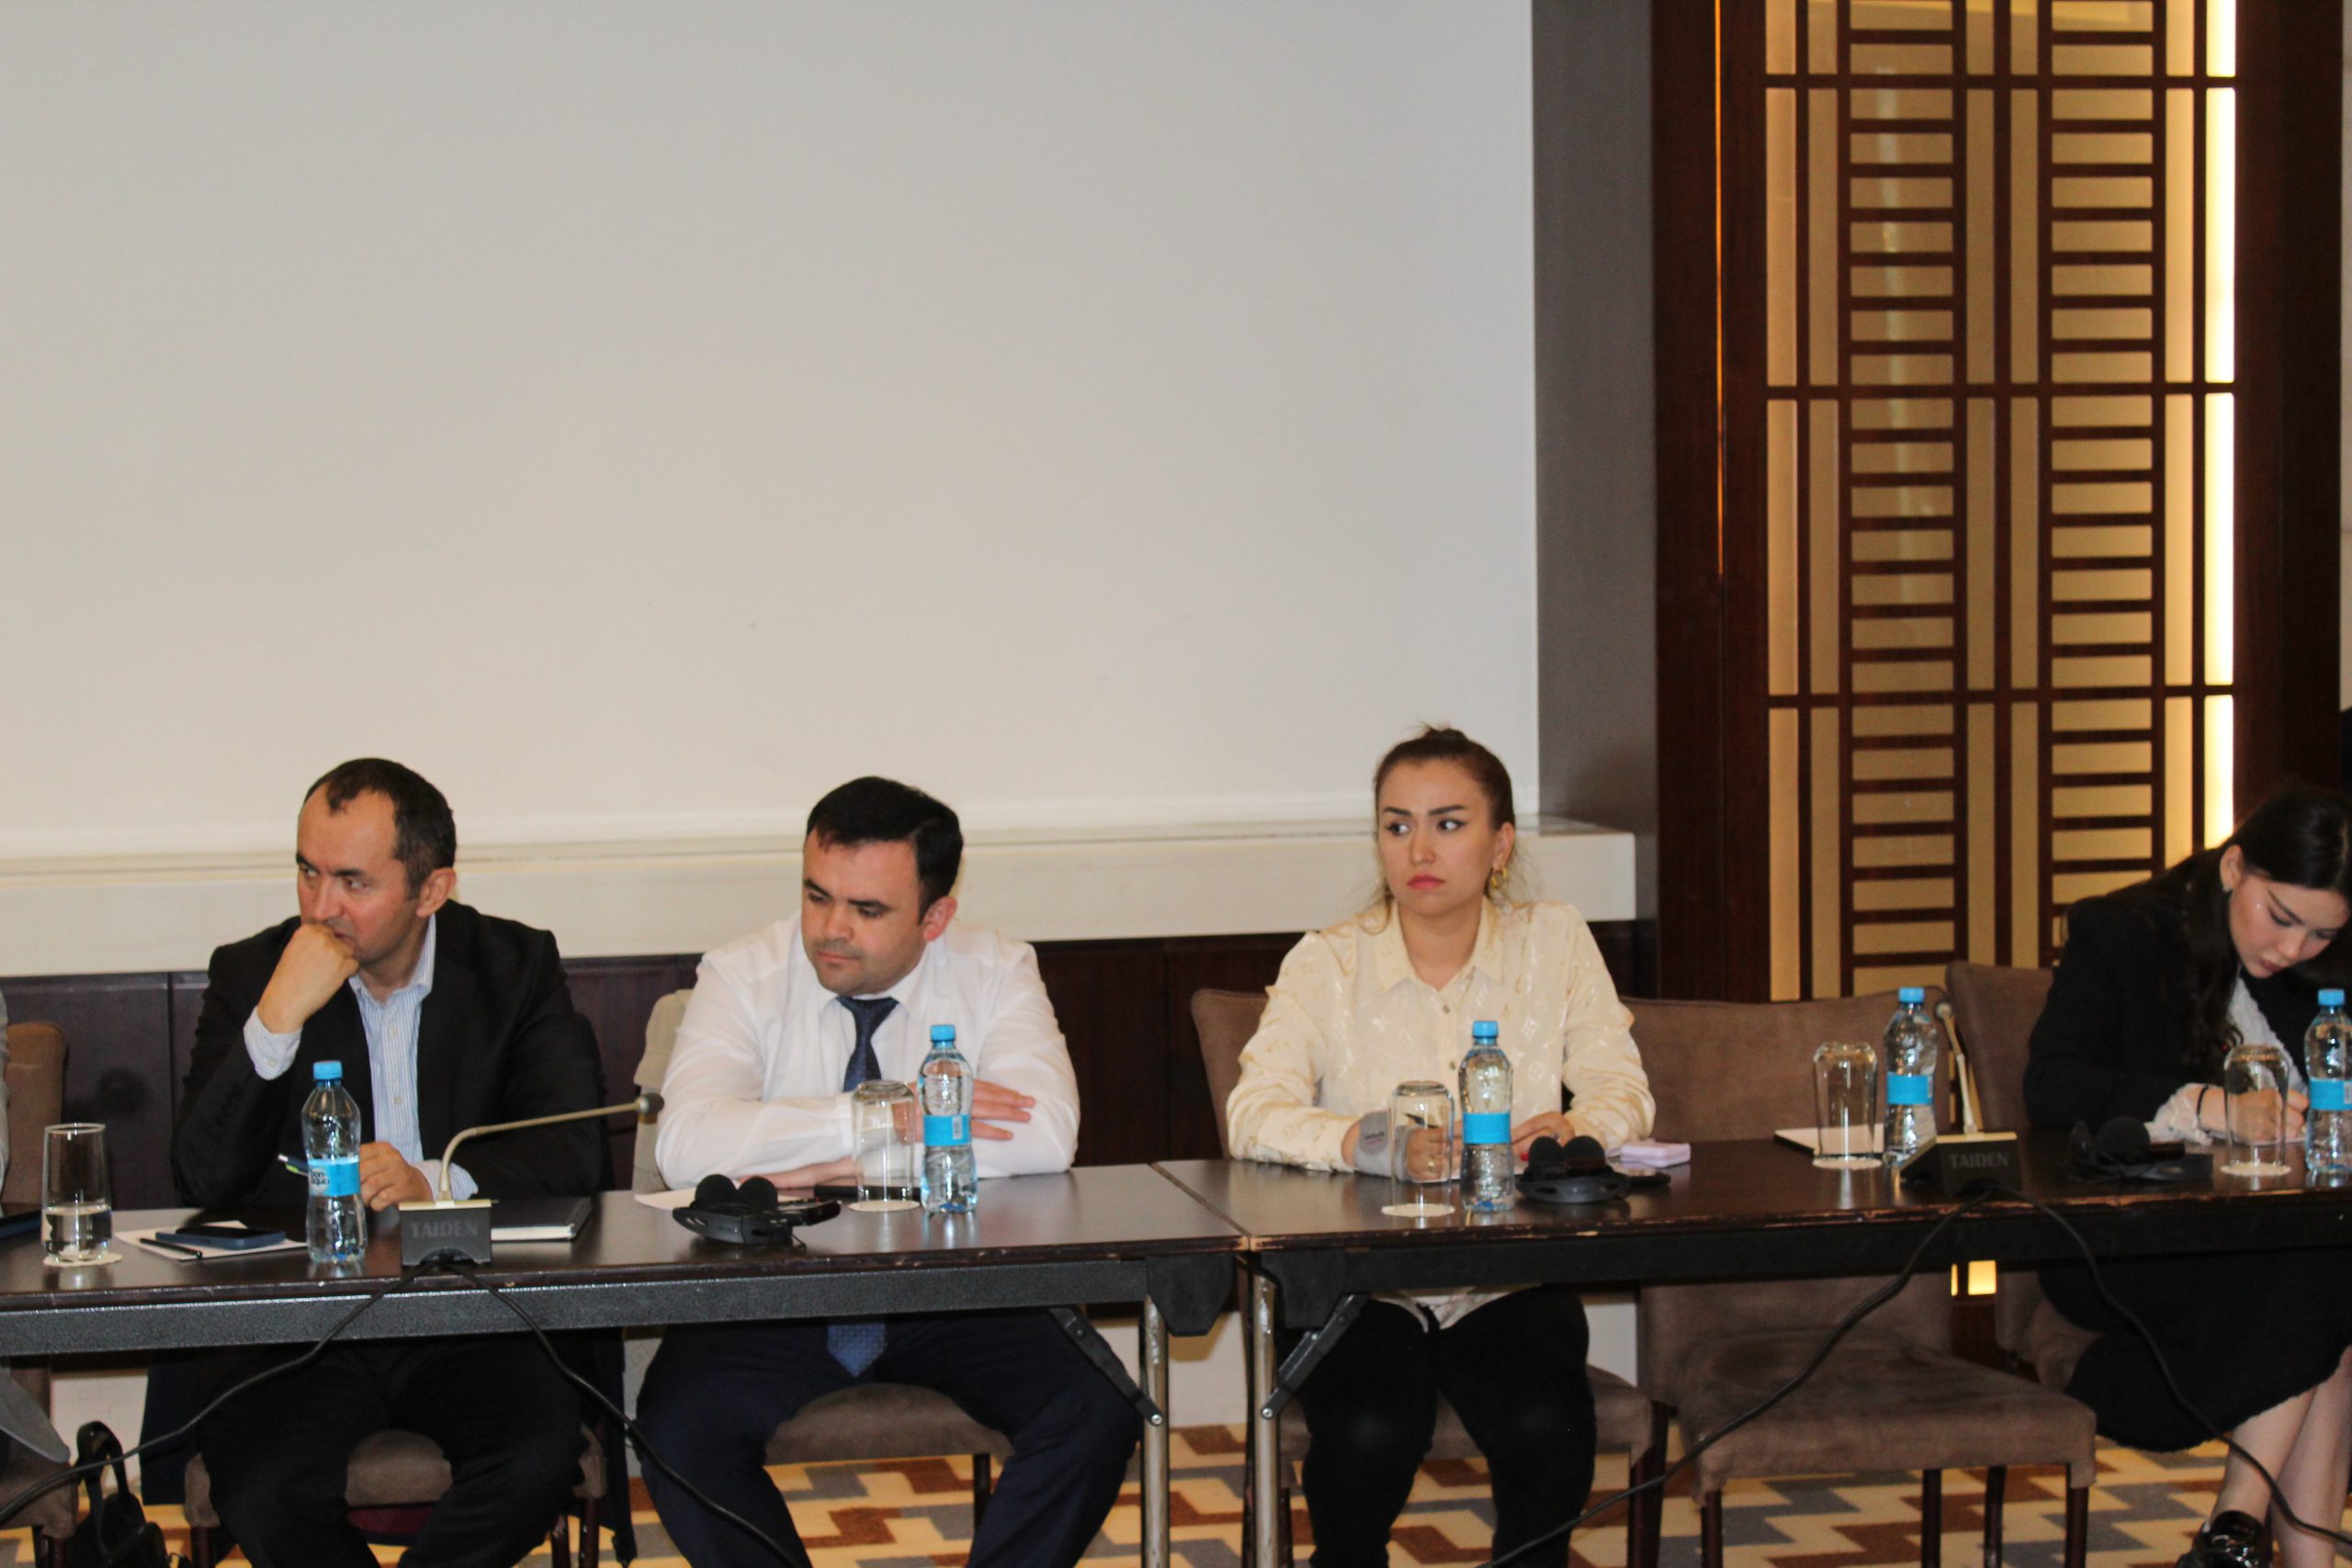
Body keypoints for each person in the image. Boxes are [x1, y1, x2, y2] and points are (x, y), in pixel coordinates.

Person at [637, 775, 1135, 1568]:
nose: (830, 929)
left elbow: (1043, 1135)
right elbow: (689, 1146)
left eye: (867, 909)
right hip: (774, 1288)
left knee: (1096, 1409)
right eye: (816, 894)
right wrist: (895, 1112)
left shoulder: (997, 970)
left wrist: (826, 1163)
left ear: (935, 918)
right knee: (677, 1429)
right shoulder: (742, 973)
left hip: (955, 1284)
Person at [1225, 726, 1655, 1568]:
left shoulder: (1554, 941)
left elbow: (1624, 1089)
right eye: (1397, 825)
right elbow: (1252, 1112)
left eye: (1449, 824)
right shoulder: (1327, 961)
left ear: (1501, 844)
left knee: (1546, 1427)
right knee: (1372, 1429)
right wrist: (1371, 1143)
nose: (1419, 849)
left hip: (1506, 1270)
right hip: (1359, 1279)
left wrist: (1577, 1128)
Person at [172, 759, 608, 1568]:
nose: (320, 907)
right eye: (307, 871)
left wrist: (434, 1181)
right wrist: (277, 1018)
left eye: (353, 881)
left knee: (534, 1459)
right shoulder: (255, 972)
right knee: (262, 1487)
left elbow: (574, 1149)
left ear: (431, 888)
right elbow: (202, 1177)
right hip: (302, 1322)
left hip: (470, 1310)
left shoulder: (514, 966)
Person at [2025, 784, 2352, 1568]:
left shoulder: (2316, 965)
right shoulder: (2123, 933)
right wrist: (2211, 1107)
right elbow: (2053, 1087)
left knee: (2331, 1272)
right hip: (2132, 1241)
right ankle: (2236, 1524)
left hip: (2272, 1244)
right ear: (2235, 867)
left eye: (2321, 933)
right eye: (2281, 917)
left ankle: (2245, 1540)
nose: (2293, 949)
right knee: (2329, 1270)